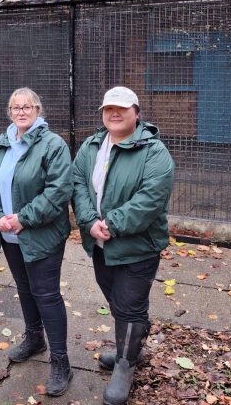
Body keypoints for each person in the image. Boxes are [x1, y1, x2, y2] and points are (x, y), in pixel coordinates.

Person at [72, 86, 174, 405]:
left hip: (138, 247)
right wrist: (89, 220)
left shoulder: (154, 152)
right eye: (108, 108)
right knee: (118, 301)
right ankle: (132, 343)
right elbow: (78, 184)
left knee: (129, 306)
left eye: (122, 108)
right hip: (99, 243)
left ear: (137, 113)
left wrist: (111, 224)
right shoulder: (91, 146)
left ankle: (125, 365)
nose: (114, 113)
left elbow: (150, 199)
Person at [0, 88, 73, 396]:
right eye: (15, 107)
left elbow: (58, 191)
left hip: (41, 235)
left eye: (27, 106)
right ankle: (34, 338)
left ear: (38, 110)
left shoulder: (53, 145)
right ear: (9, 112)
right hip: (8, 234)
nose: (21, 111)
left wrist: (23, 218)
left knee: (46, 294)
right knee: (25, 287)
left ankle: (61, 362)